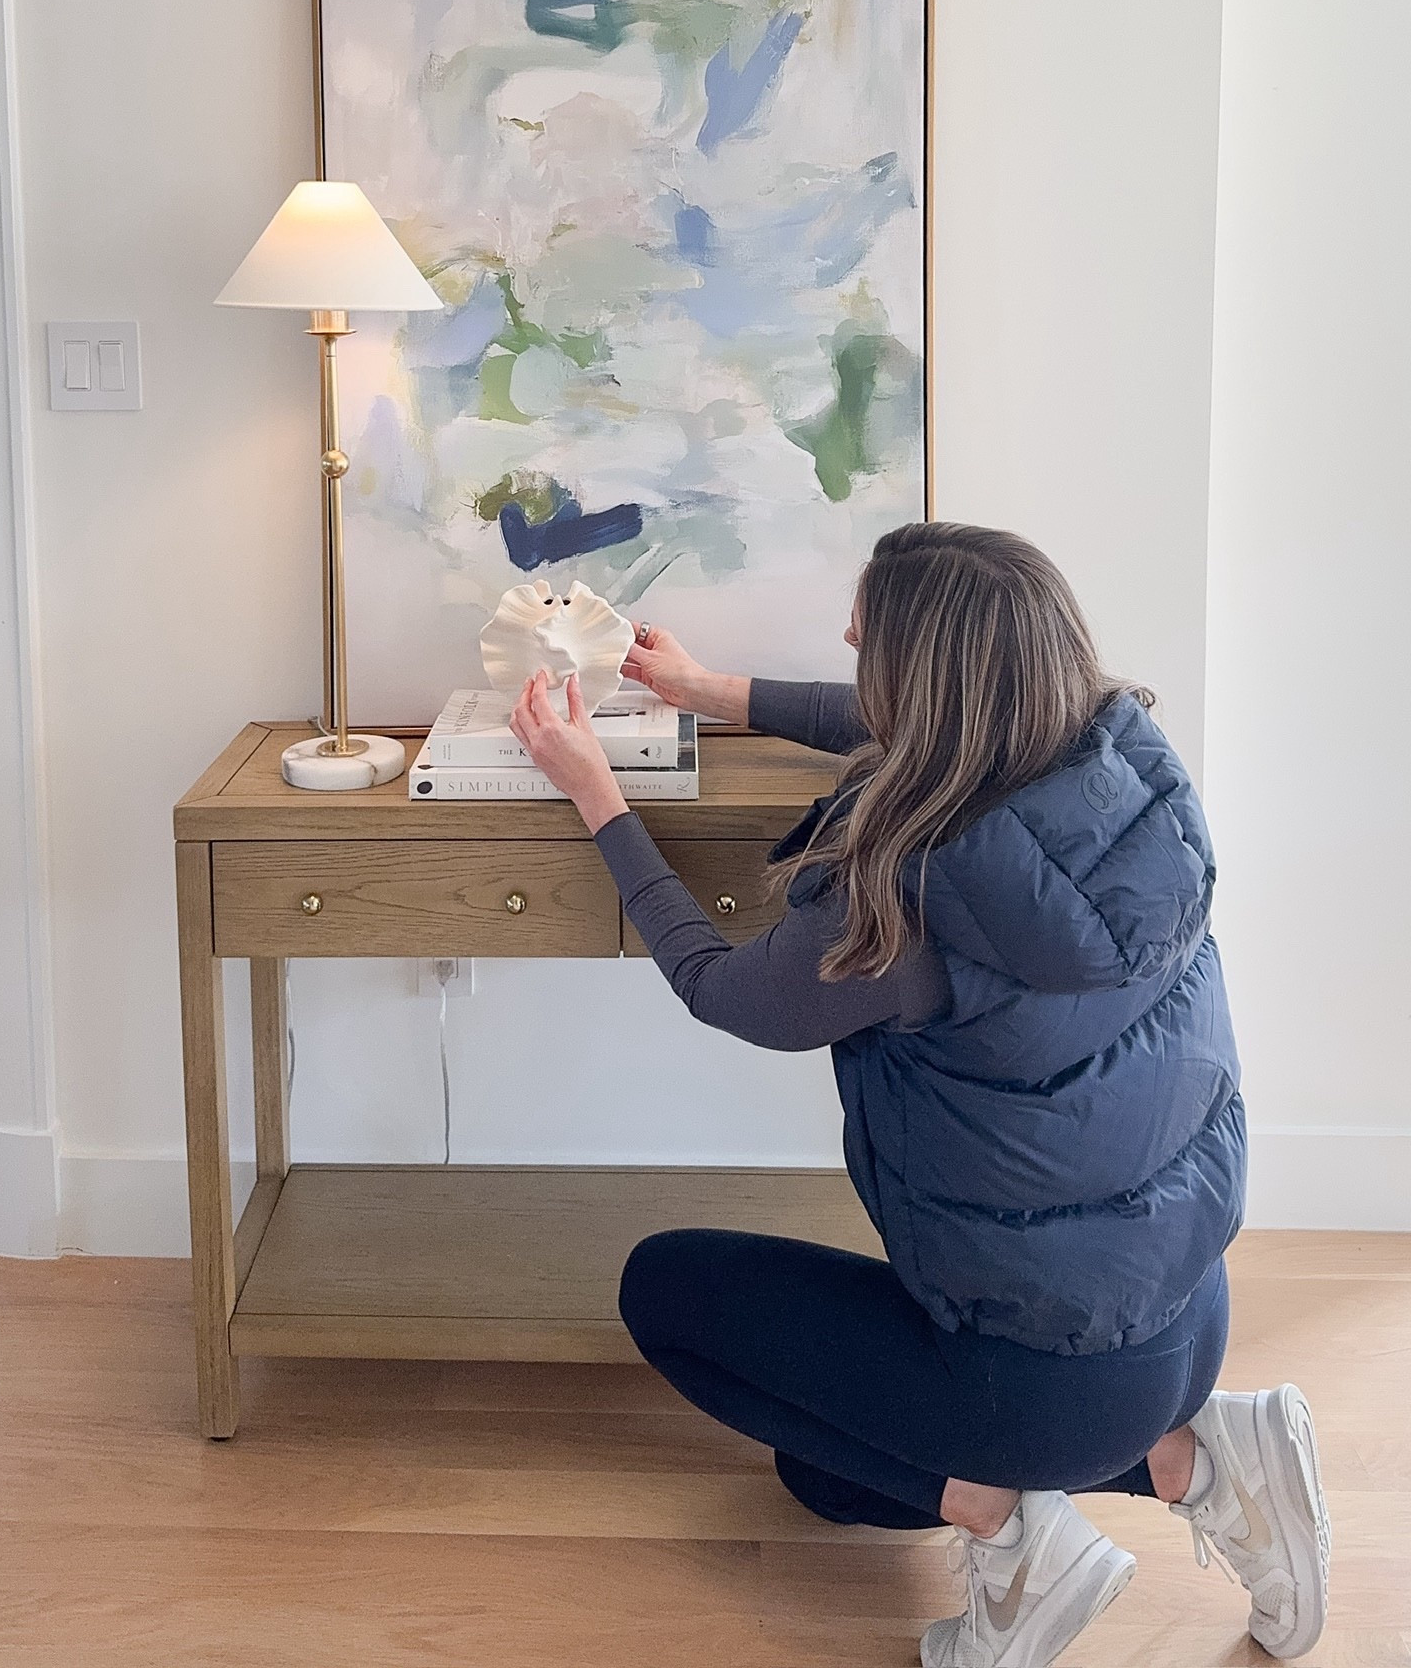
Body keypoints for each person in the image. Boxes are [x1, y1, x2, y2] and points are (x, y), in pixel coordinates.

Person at [508, 522, 1331, 1668]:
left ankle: (1116, 1493)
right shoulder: (1116, 775)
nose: (848, 646)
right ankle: (1188, 1442)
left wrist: (595, 791)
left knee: (665, 1289)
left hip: (1048, 1377)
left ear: (925, 679)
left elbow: (728, 992)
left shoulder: (910, 886)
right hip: (1183, 1309)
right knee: (827, 1478)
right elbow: (918, 729)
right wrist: (711, 688)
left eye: (867, 645)